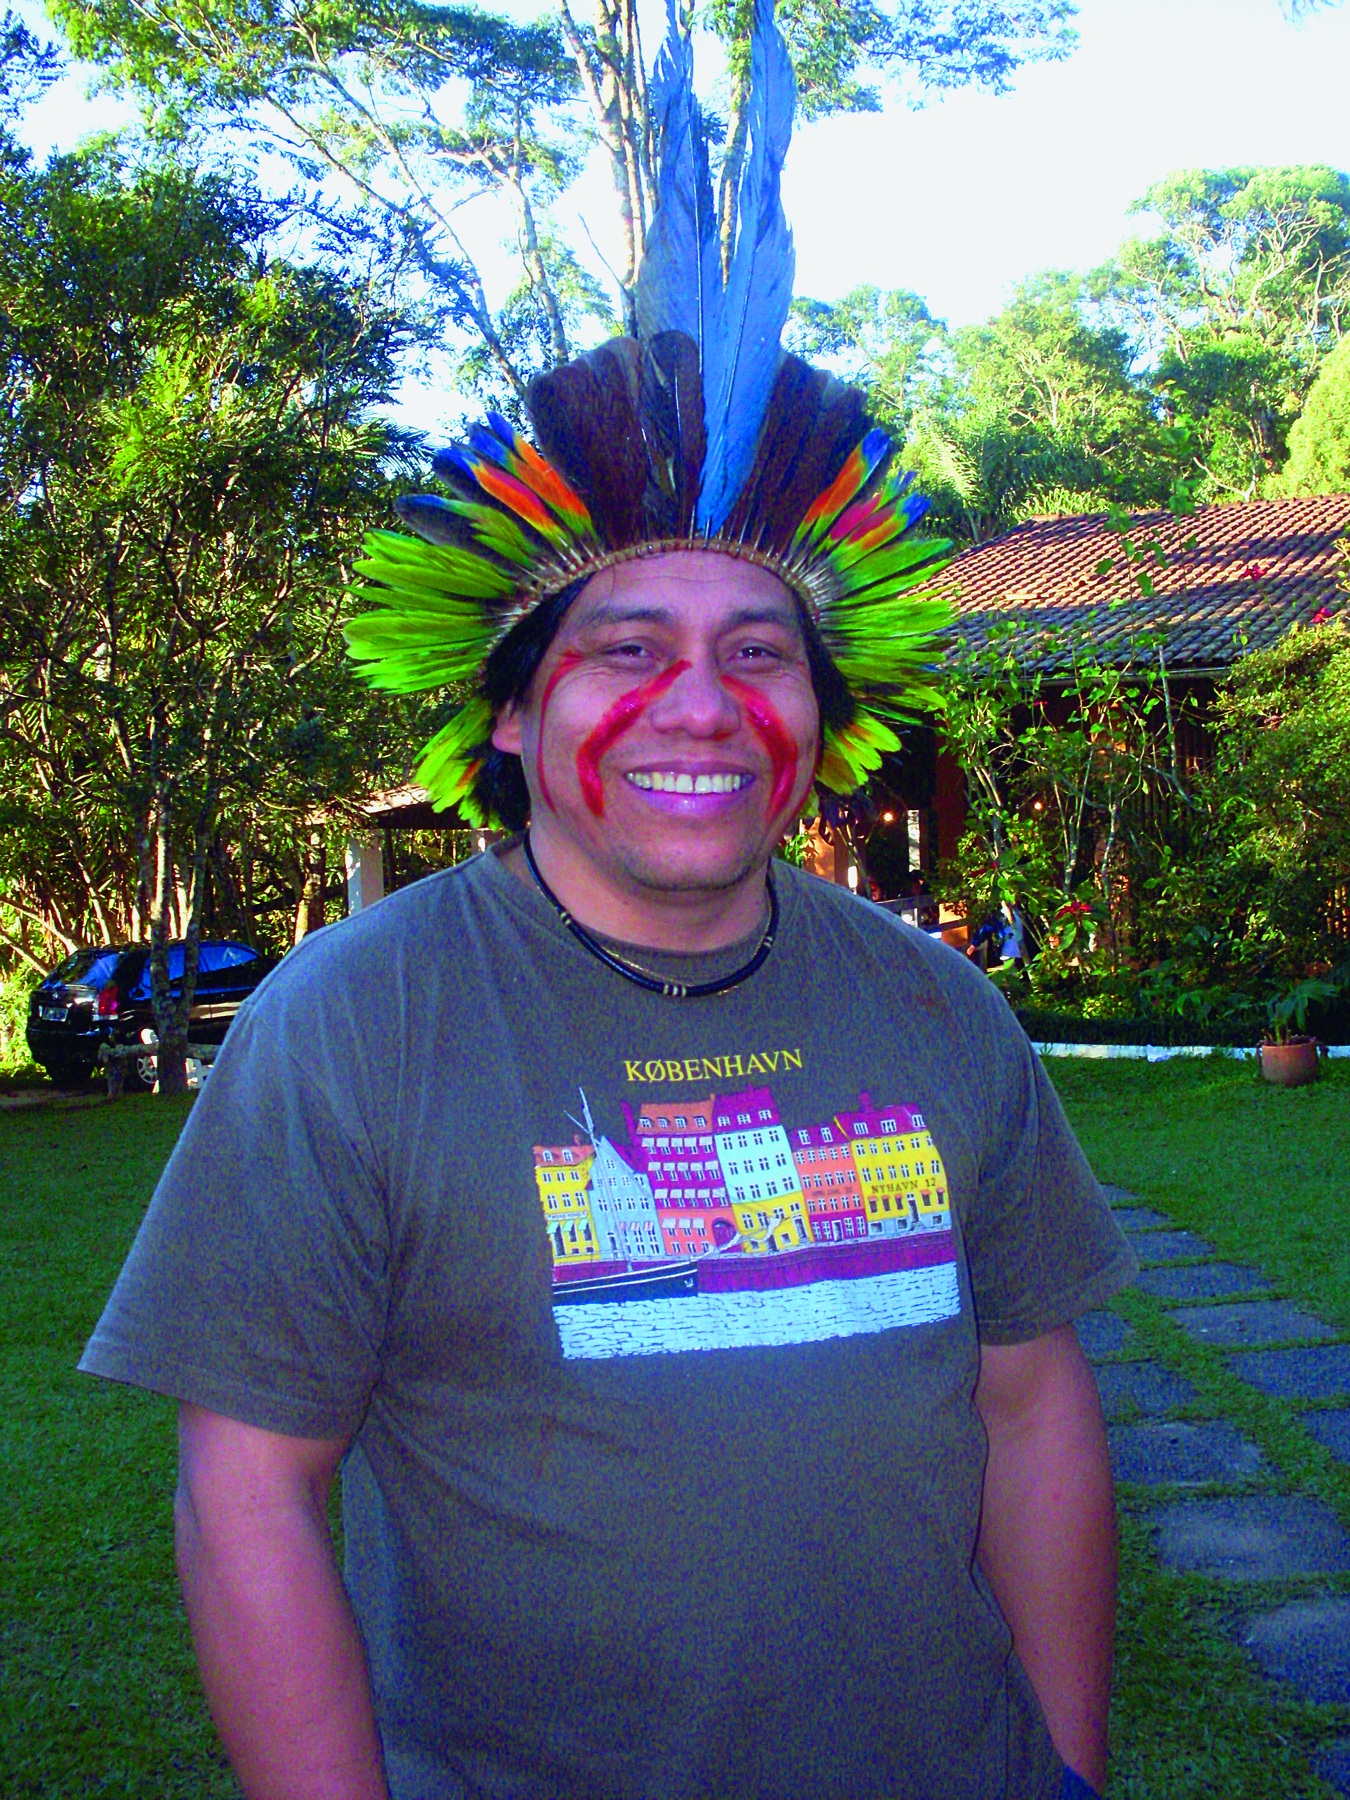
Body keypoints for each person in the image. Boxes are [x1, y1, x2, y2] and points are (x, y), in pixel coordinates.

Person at [79, 6, 1135, 1797]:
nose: (703, 708)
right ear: (511, 706)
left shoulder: (935, 1003)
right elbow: (246, 1487)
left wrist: (1067, 1769)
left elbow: (1033, 1406)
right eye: (624, 649)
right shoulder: (353, 1020)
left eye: (755, 653)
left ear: (825, 709)